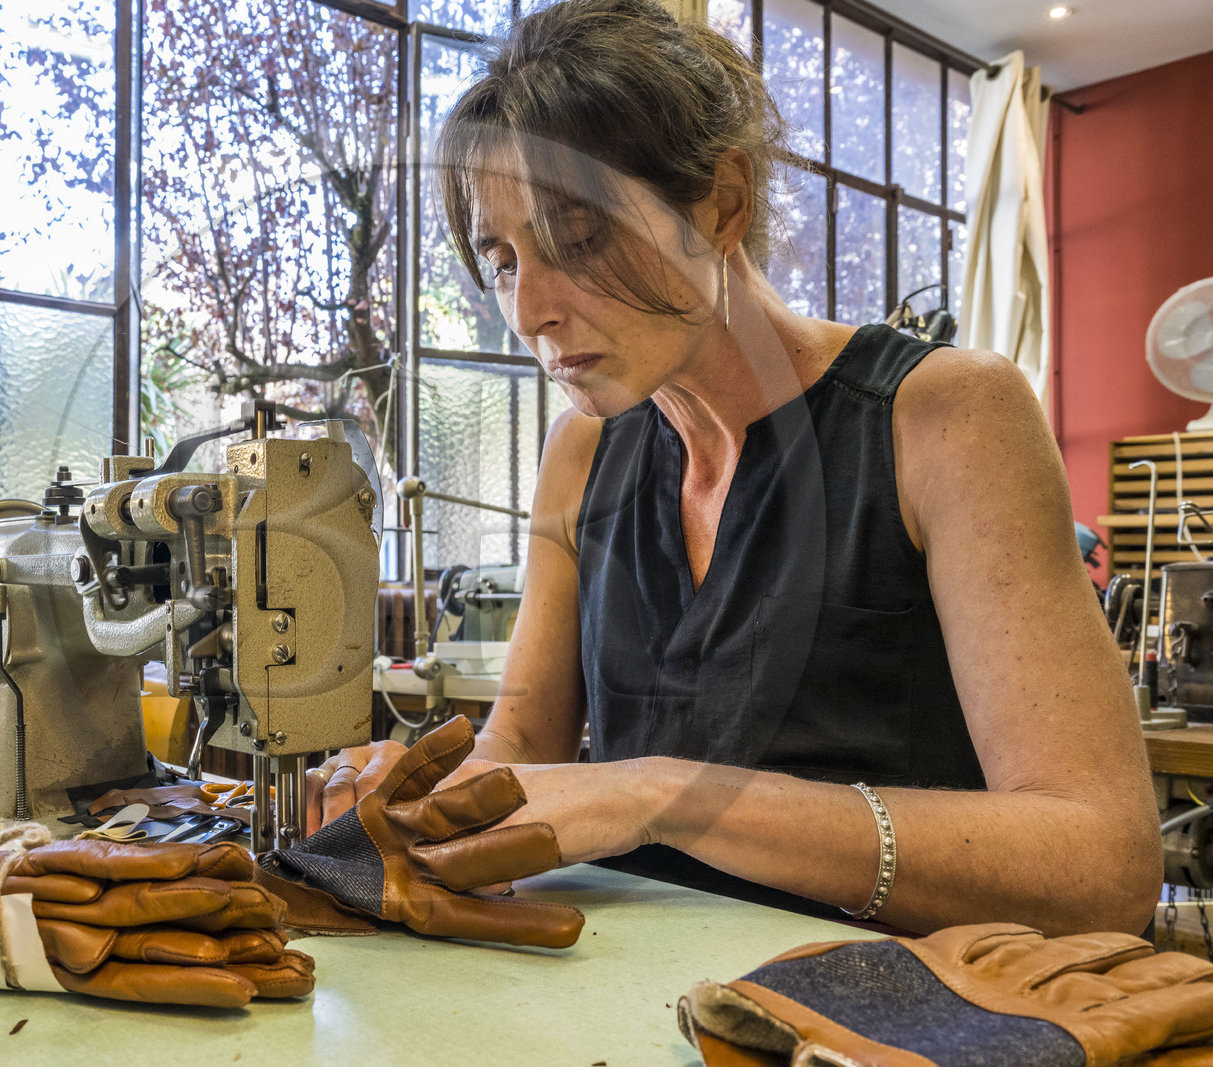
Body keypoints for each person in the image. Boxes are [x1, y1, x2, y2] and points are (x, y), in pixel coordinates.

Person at [307, 0, 1160, 936]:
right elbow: (523, 743)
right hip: (632, 1002)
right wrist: (417, 783)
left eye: (578, 237)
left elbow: (1102, 860)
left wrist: (665, 793)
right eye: (502, 259)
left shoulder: (950, 417)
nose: (531, 309)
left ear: (723, 203)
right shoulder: (582, 452)